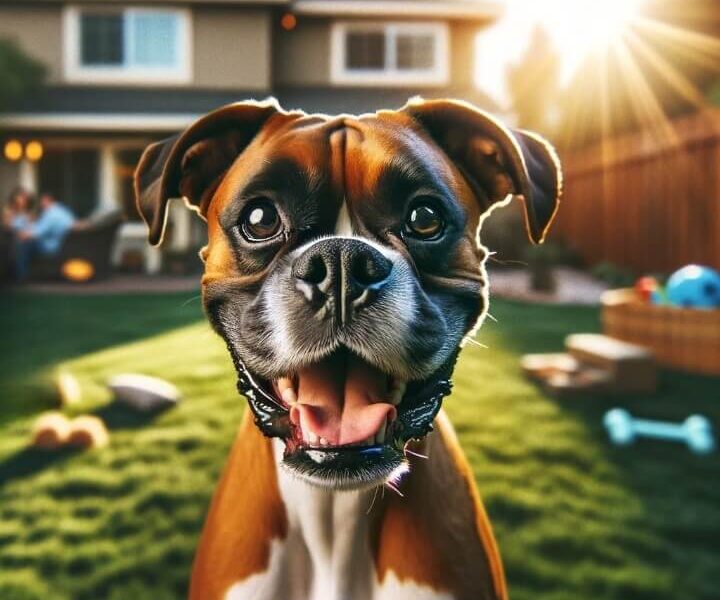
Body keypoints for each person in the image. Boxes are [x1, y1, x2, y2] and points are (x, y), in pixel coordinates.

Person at [14, 192, 75, 280]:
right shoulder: (62, 211)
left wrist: (23, 235)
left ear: (48, 201)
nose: (40, 204)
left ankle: (21, 277)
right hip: (62, 244)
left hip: (51, 246)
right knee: (24, 243)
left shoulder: (51, 214)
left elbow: (38, 233)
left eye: (42, 202)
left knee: (23, 246)